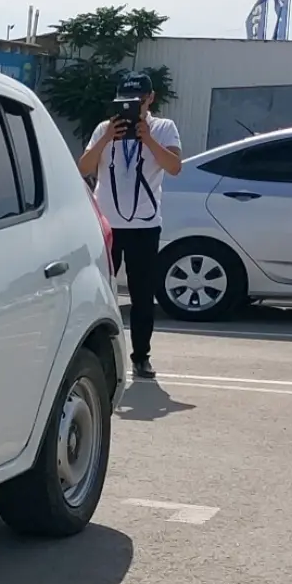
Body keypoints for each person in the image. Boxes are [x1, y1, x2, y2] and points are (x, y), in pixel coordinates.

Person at [78, 72, 181, 380]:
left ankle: (141, 357)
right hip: (107, 223)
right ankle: (101, 356)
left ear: (150, 99)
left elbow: (175, 167)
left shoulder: (163, 128)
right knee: (101, 291)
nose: (130, 106)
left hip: (145, 225)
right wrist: (108, 137)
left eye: (137, 100)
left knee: (141, 294)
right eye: (124, 100)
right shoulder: (104, 129)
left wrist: (147, 138)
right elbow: (83, 167)